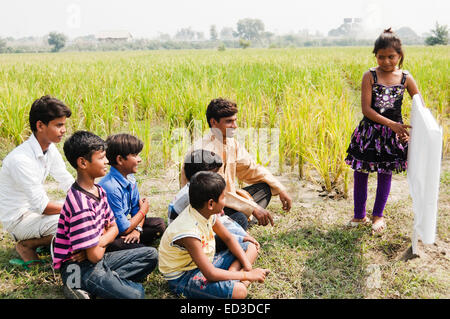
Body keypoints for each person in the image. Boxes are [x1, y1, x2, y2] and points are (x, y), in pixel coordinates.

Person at [52, 131, 158, 299]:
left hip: (95, 259)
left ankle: (92, 289)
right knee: (137, 294)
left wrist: (99, 240)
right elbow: (95, 256)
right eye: (101, 158)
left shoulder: (99, 190)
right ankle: (78, 284)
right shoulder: (81, 205)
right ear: (83, 163)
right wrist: (102, 238)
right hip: (79, 267)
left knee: (151, 255)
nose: (107, 161)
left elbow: (114, 227)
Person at [345, 28, 421, 233]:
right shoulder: (369, 76)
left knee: (384, 174)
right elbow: (366, 110)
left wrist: (412, 131)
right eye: (381, 57)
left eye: (391, 57)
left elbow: (419, 106)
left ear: (400, 56)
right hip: (369, 134)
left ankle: (378, 215)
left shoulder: (406, 78)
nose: (386, 61)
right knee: (360, 173)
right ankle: (359, 216)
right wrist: (392, 125)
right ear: (375, 56)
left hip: (392, 137)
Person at [180, 98, 292, 229]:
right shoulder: (203, 151)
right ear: (213, 122)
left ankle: (240, 219)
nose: (235, 126)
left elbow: (251, 169)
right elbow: (210, 193)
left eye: (235, 121)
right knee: (239, 218)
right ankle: (238, 221)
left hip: (225, 200)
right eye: (229, 122)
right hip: (207, 207)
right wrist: (252, 207)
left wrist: (281, 189)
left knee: (264, 189)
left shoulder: (231, 143)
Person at [159, 171, 270, 299]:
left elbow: (228, 238)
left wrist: (247, 266)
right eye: (223, 197)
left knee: (251, 245)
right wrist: (247, 276)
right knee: (240, 292)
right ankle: (238, 282)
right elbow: (210, 274)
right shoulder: (189, 232)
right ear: (211, 204)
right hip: (184, 277)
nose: (226, 200)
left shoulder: (205, 213)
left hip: (205, 262)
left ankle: (231, 276)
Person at [0, 96, 74, 269]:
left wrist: (86, 199)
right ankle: (27, 245)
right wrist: (78, 209)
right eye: (58, 125)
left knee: (81, 212)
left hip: (35, 213)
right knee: (73, 221)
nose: (64, 130)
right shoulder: (20, 159)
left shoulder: (50, 148)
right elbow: (43, 206)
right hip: (18, 219)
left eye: (64, 124)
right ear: (40, 126)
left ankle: (44, 241)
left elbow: (66, 179)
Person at [169, 149, 256, 252]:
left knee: (239, 218)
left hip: (197, 228)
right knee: (235, 228)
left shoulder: (193, 189)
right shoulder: (195, 196)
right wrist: (240, 237)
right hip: (191, 239)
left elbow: (217, 219)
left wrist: (243, 234)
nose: (217, 176)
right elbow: (214, 222)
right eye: (214, 173)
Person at [99, 133, 166, 252]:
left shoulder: (130, 178)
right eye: (135, 155)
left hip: (126, 226)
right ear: (120, 160)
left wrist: (138, 230)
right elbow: (124, 228)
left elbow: (136, 210)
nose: (139, 159)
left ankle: (134, 242)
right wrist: (143, 210)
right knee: (144, 251)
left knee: (159, 224)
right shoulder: (110, 188)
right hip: (110, 234)